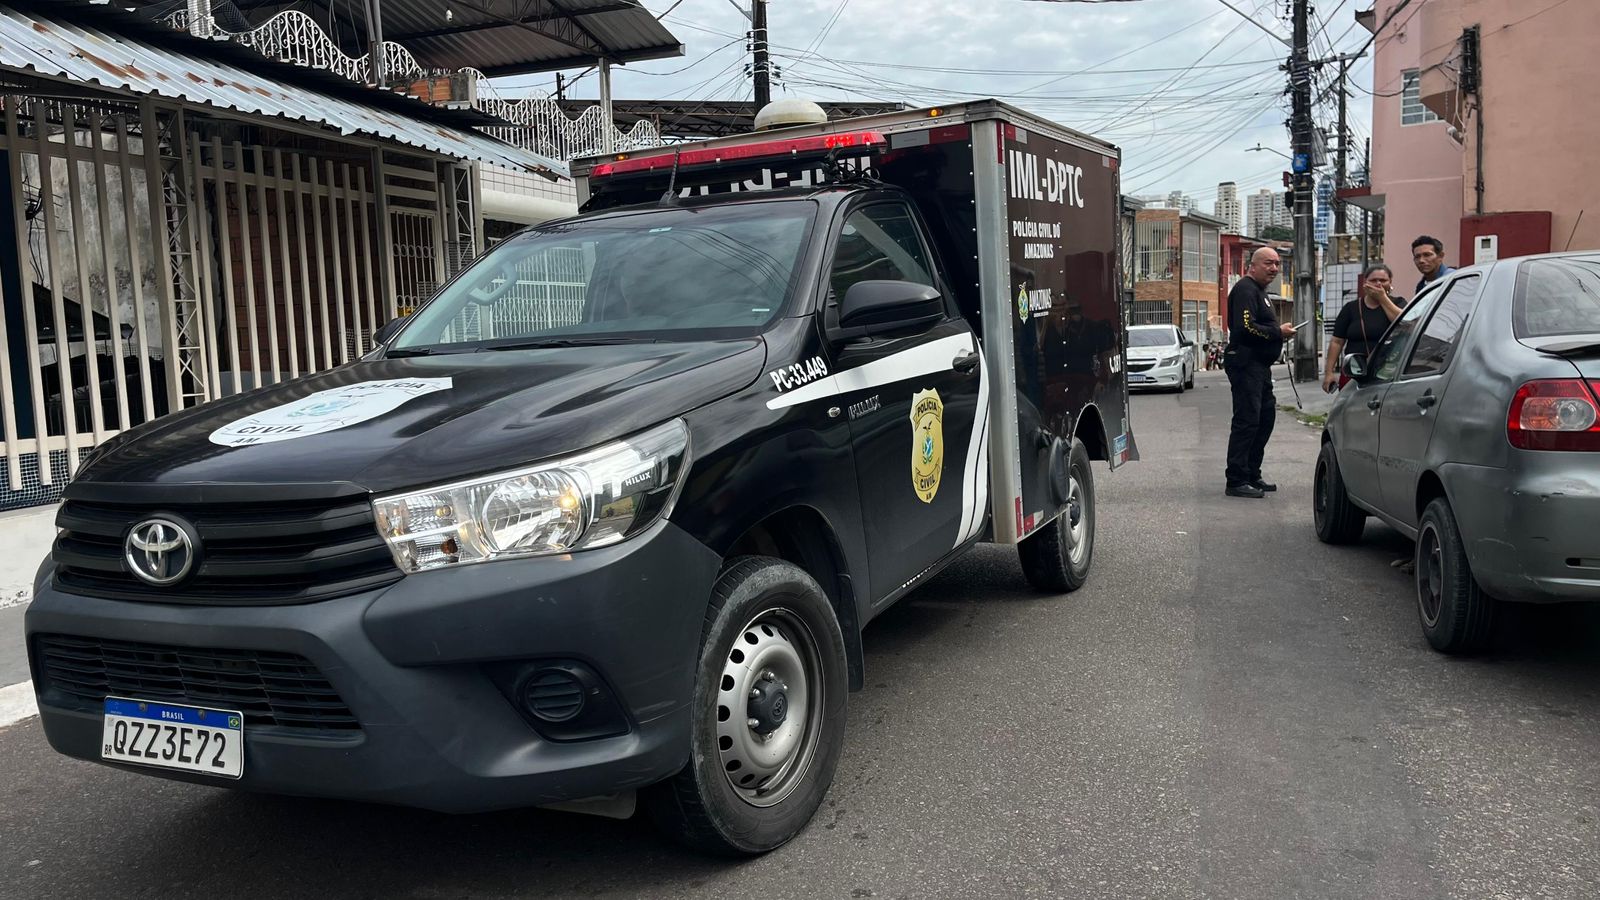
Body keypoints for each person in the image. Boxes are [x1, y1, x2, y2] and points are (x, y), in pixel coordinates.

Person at [1223, 248, 1296, 499]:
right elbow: (1244, 328)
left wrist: (1277, 331)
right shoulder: (1245, 289)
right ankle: (1236, 478)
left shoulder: (1261, 292)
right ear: (1252, 266)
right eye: (1268, 263)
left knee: (1265, 419)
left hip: (1261, 367)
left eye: (1277, 264)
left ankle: (1252, 473)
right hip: (1245, 364)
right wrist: (1278, 332)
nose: (1274, 268)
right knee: (1247, 421)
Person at [1322, 263, 1406, 393]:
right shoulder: (1351, 308)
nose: (1378, 284)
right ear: (1365, 283)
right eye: (1373, 280)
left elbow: (1404, 323)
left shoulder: (1398, 303)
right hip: (1355, 371)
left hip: (1388, 372)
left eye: (1383, 280)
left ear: (1390, 283)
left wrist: (1383, 298)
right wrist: (1329, 372)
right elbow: (1337, 341)